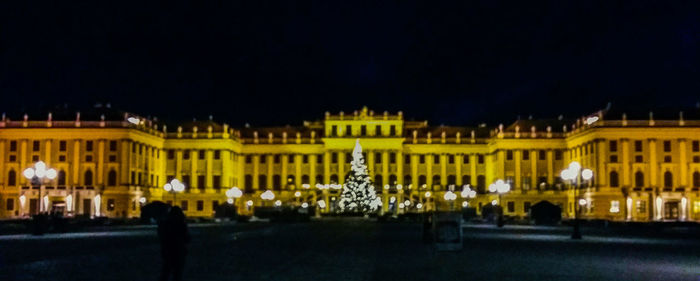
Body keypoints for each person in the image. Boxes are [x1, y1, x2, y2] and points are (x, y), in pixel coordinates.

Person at [158, 206, 190, 281]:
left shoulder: (166, 224)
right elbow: (187, 238)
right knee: (177, 273)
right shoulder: (181, 224)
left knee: (166, 271)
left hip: (168, 250)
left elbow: (162, 236)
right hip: (179, 250)